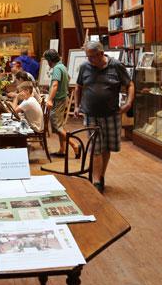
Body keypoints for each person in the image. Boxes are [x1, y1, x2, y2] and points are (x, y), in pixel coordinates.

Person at [74, 41, 134, 193]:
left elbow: (130, 85)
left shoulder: (116, 66)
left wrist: (128, 103)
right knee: (96, 148)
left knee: (106, 147)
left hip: (111, 113)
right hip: (91, 113)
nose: (89, 60)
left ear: (101, 54)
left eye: (92, 57)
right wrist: (76, 106)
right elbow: (78, 86)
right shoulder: (84, 67)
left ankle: (101, 176)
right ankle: (96, 180)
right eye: (87, 57)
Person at [43, 49, 79, 158]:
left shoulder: (57, 68)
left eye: (46, 60)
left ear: (50, 60)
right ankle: (62, 150)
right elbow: (68, 78)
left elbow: (54, 85)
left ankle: (75, 145)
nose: (47, 62)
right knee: (60, 126)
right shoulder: (62, 66)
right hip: (63, 98)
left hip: (58, 100)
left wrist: (49, 99)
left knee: (56, 126)